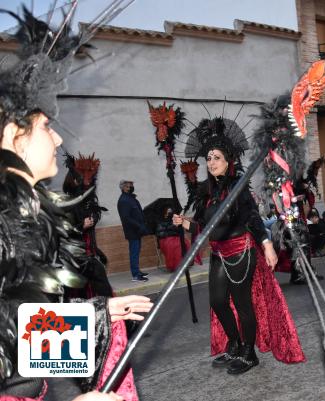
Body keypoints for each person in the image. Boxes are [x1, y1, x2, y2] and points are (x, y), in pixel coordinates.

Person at [0, 6, 153, 400]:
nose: (57, 140)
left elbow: (18, 335)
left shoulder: (22, 215)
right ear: (15, 135)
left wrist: (95, 317)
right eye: (46, 127)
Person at [172, 117, 304, 374]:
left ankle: (249, 352)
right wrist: (184, 223)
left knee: (243, 304)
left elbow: (252, 216)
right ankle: (233, 343)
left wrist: (266, 244)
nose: (211, 162)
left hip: (241, 250)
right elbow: (203, 226)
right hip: (219, 253)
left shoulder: (237, 187)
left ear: (228, 160)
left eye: (217, 158)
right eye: (208, 158)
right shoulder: (205, 191)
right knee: (218, 301)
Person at [63, 152, 113, 297]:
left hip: (89, 255)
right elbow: (64, 232)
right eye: (82, 177)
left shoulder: (88, 202)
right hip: (76, 259)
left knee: (101, 287)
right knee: (80, 293)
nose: (87, 181)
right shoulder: (68, 203)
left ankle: (106, 312)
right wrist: (80, 226)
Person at [117, 180, 150, 282]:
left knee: (136, 252)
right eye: (129, 186)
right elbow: (126, 218)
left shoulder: (130, 198)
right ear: (123, 188)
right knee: (134, 252)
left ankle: (137, 271)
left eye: (131, 185)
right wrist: (139, 226)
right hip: (133, 231)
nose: (131, 187)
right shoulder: (124, 200)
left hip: (137, 231)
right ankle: (135, 275)